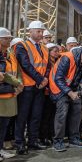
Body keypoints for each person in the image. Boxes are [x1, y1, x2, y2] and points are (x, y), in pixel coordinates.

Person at [49, 46, 82, 152]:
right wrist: (70, 93)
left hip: (72, 87)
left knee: (77, 111)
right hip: (58, 87)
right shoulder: (67, 58)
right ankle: (58, 141)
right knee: (62, 112)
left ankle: (74, 138)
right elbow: (58, 78)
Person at [15, 20, 50, 154]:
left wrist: (44, 79)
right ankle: (19, 143)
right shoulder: (21, 46)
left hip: (39, 87)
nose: (41, 34)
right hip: (27, 86)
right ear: (30, 31)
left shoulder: (44, 48)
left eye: (42, 31)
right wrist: (41, 79)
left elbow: (46, 66)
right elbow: (26, 65)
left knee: (36, 115)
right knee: (22, 116)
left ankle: (33, 141)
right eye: (38, 31)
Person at [0, 28, 23, 162]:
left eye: (9, 38)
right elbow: (3, 76)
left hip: (9, 93)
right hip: (3, 93)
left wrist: (18, 84)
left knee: (4, 125)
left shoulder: (9, 53)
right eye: (6, 38)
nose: (9, 40)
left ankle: (1, 148)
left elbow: (17, 70)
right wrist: (17, 83)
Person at [39, 43, 60, 146]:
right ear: (49, 51)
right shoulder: (46, 62)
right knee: (46, 115)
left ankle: (50, 135)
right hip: (47, 91)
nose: (57, 53)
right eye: (54, 51)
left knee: (52, 114)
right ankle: (43, 136)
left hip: (54, 91)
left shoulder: (57, 61)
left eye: (57, 51)